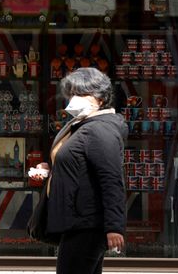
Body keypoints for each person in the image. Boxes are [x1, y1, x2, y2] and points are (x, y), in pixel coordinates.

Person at [29, 67, 127, 274]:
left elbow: (111, 179)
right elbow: (77, 164)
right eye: (72, 94)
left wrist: (114, 227)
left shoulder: (99, 129)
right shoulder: (82, 125)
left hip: (87, 225)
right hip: (78, 223)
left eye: (82, 94)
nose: (75, 99)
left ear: (100, 98)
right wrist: (50, 169)